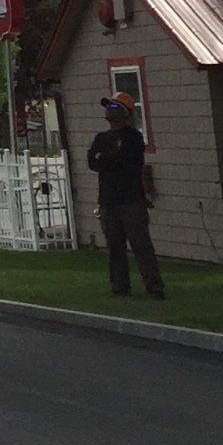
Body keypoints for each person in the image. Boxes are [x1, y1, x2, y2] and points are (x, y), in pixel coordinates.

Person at [86, 90, 164, 300]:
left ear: (124, 112)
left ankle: (154, 286)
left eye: (112, 107)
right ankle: (120, 287)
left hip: (131, 200)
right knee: (114, 246)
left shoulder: (133, 137)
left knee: (140, 245)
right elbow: (93, 161)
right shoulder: (101, 138)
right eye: (107, 107)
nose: (108, 111)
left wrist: (107, 159)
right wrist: (108, 159)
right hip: (108, 201)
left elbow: (122, 160)